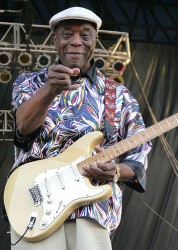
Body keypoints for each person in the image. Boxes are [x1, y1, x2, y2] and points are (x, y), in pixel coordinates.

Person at [9, 6, 151, 250]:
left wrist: (115, 171)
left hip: (91, 209)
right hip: (34, 205)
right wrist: (49, 90)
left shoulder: (118, 95)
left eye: (85, 35)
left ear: (95, 40)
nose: (76, 42)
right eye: (67, 35)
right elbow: (23, 128)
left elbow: (138, 157)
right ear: (55, 39)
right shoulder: (28, 82)